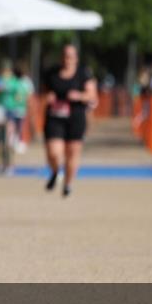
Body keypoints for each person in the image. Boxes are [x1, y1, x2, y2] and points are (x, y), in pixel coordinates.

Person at [42, 44, 97, 198]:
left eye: (71, 56)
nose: (68, 60)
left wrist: (79, 96)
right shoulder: (51, 73)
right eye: (65, 56)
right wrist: (47, 97)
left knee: (72, 153)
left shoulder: (83, 74)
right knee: (54, 152)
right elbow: (42, 92)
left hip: (76, 117)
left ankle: (67, 184)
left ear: (76, 58)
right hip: (55, 117)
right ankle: (55, 171)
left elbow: (92, 96)